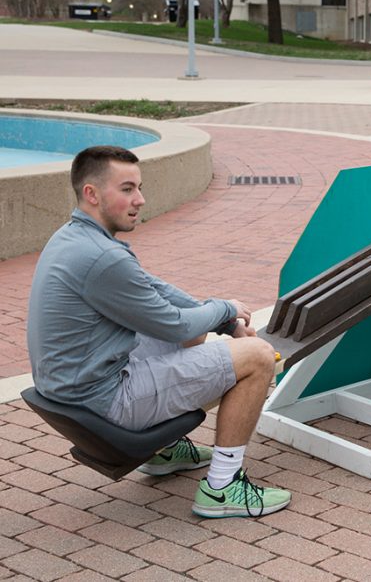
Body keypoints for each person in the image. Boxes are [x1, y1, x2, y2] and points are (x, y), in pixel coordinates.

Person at [26, 146, 291, 518]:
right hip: (102, 402)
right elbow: (173, 322)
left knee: (189, 335)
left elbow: (155, 289)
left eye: (139, 187)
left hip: (71, 385)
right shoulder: (102, 257)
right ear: (92, 193)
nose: (140, 199)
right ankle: (222, 489)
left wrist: (225, 323)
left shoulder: (74, 237)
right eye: (128, 189)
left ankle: (165, 452)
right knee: (258, 357)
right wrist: (227, 308)